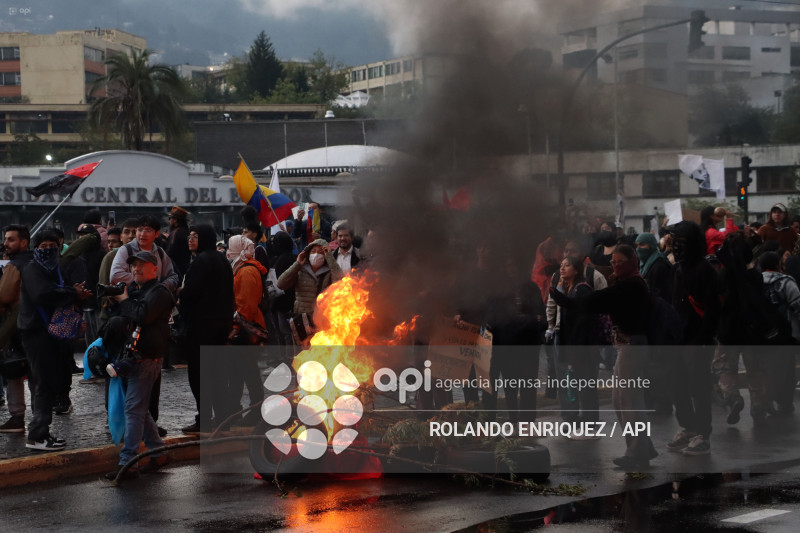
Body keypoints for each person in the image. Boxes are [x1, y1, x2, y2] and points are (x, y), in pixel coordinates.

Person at [550, 245, 657, 469]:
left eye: (620, 261)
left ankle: (637, 451)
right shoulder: (626, 283)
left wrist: (565, 301)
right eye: (613, 261)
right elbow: (597, 302)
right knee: (623, 400)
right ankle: (643, 447)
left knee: (627, 401)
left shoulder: (631, 285)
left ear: (631, 262)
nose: (615, 265)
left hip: (632, 346)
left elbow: (596, 300)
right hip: (626, 346)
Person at [18, 229, 91, 451]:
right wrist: (71, 292)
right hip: (36, 331)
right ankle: (37, 435)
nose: (48, 249)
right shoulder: (33, 269)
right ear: (35, 248)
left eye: (52, 245)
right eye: (43, 246)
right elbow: (42, 294)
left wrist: (74, 294)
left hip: (51, 332)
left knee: (50, 381)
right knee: (42, 383)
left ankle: (43, 432)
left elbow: (58, 292)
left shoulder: (55, 269)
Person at [104, 250, 174, 480]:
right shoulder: (135, 290)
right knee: (139, 410)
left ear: (155, 269)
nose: (136, 269)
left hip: (147, 358)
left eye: (142, 266)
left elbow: (142, 316)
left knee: (133, 409)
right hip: (133, 356)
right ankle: (158, 453)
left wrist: (124, 301)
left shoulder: (159, 292)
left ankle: (128, 463)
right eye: (133, 266)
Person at [668, 221, 720, 455]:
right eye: (673, 241)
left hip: (697, 340)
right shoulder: (678, 269)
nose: (675, 247)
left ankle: (702, 434)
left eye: (680, 242)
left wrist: (702, 338)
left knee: (699, 388)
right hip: (679, 339)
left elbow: (712, 309)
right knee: (677, 386)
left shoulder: (703, 270)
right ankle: (688, 427)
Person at [179, 225, 235, 434]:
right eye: (190, 236)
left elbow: (190, 293)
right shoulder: (222, 260)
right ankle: (222, 419)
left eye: (195, 236)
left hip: (202, 326)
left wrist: (180, 296)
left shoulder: (201, 261)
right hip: (220, 325)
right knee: (218, 374)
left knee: (200, 375)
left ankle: (204, 419)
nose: (190, 240)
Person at [550, 255, 601, 428]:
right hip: (573, 345)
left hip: (581, 347)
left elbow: (583, 322)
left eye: (567, 266)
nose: (562, 269)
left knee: (586, 385)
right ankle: (580, 421)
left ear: (577, 269)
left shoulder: (582, 290)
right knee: (575, 384)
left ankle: (590, 424)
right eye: (561, 265)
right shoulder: (568, 288)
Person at [226, 235, 267, 426]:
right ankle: (235, 409)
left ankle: (256, 411)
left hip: (246, 330)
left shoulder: (246, 271)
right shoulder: (242, 268)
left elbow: (247, 305)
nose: (227, 250)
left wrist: (236, 328)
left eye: (230, 246)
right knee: (237, 371)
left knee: (248, 371)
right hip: (244, 328)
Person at [0, 225, 33, 433]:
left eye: (11, 239)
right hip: (36, 326)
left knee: (13, 371)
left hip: (15, 326)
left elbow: (3, 296)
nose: (6, 243)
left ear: (23, 242)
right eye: (6, 239)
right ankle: (39, 419)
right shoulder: (37, 261)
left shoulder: (15, 265)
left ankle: (17, 417)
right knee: (35, 374)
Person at [759, 251, 798, 415]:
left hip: (762, 333)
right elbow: (797, 305)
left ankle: (764, 400)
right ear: (778, 264)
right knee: (788, 369)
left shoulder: (755, 281)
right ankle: (784, 402)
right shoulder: (785, 281)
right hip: (786, 333)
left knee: (764, 368)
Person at [277, 238, 343, 318]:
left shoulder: (329, 271)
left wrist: (330, 257)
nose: (316, 255)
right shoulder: (300, 270)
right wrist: (297, 264)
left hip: (322, 318)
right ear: (308, 254)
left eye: (320, 252)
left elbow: (341, 283)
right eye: (313, 251)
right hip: (301, 317)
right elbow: (281, 284)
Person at [165, 205, 191, 281]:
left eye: (170, 218)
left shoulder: (175, 233)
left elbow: (170, 253)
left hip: (175, 271)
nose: (169, 221)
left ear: (175, 220)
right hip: (185, 269)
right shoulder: (186, 232)